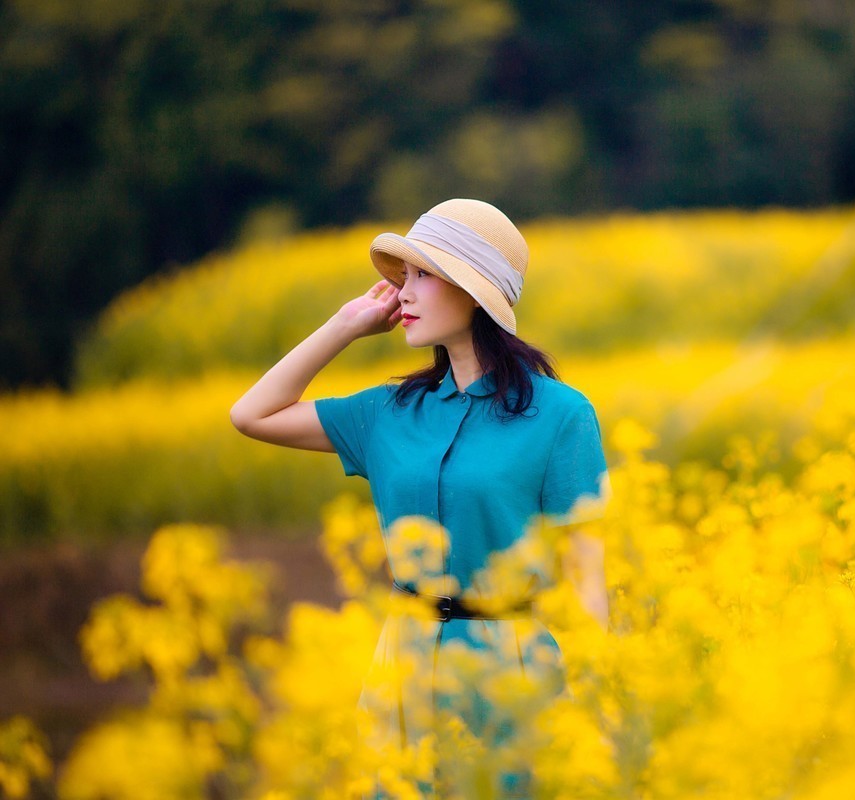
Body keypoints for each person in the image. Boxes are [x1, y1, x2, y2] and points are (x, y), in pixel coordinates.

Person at [230, 198, 609, 798]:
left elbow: (587, 575)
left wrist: (595, 707)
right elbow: (251, 414)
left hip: (514, 670)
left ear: (474, 292)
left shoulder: (561, 415)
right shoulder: (388, 413)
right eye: (402, 277)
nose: (402, 294)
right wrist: (346, 325)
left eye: (423, 276)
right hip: (403, 668)